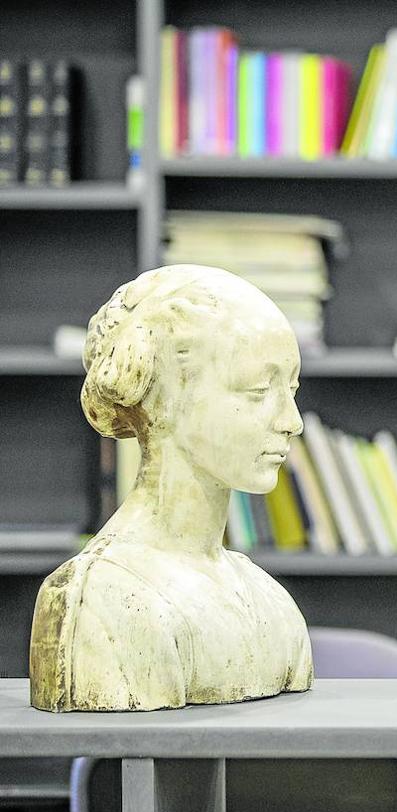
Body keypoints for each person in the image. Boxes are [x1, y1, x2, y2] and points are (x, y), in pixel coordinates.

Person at [30, 264, 313, 712]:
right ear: (167, 397)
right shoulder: (101, 599)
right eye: (258, 390)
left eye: (292, 390)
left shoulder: (270, 602)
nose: (291, 422)